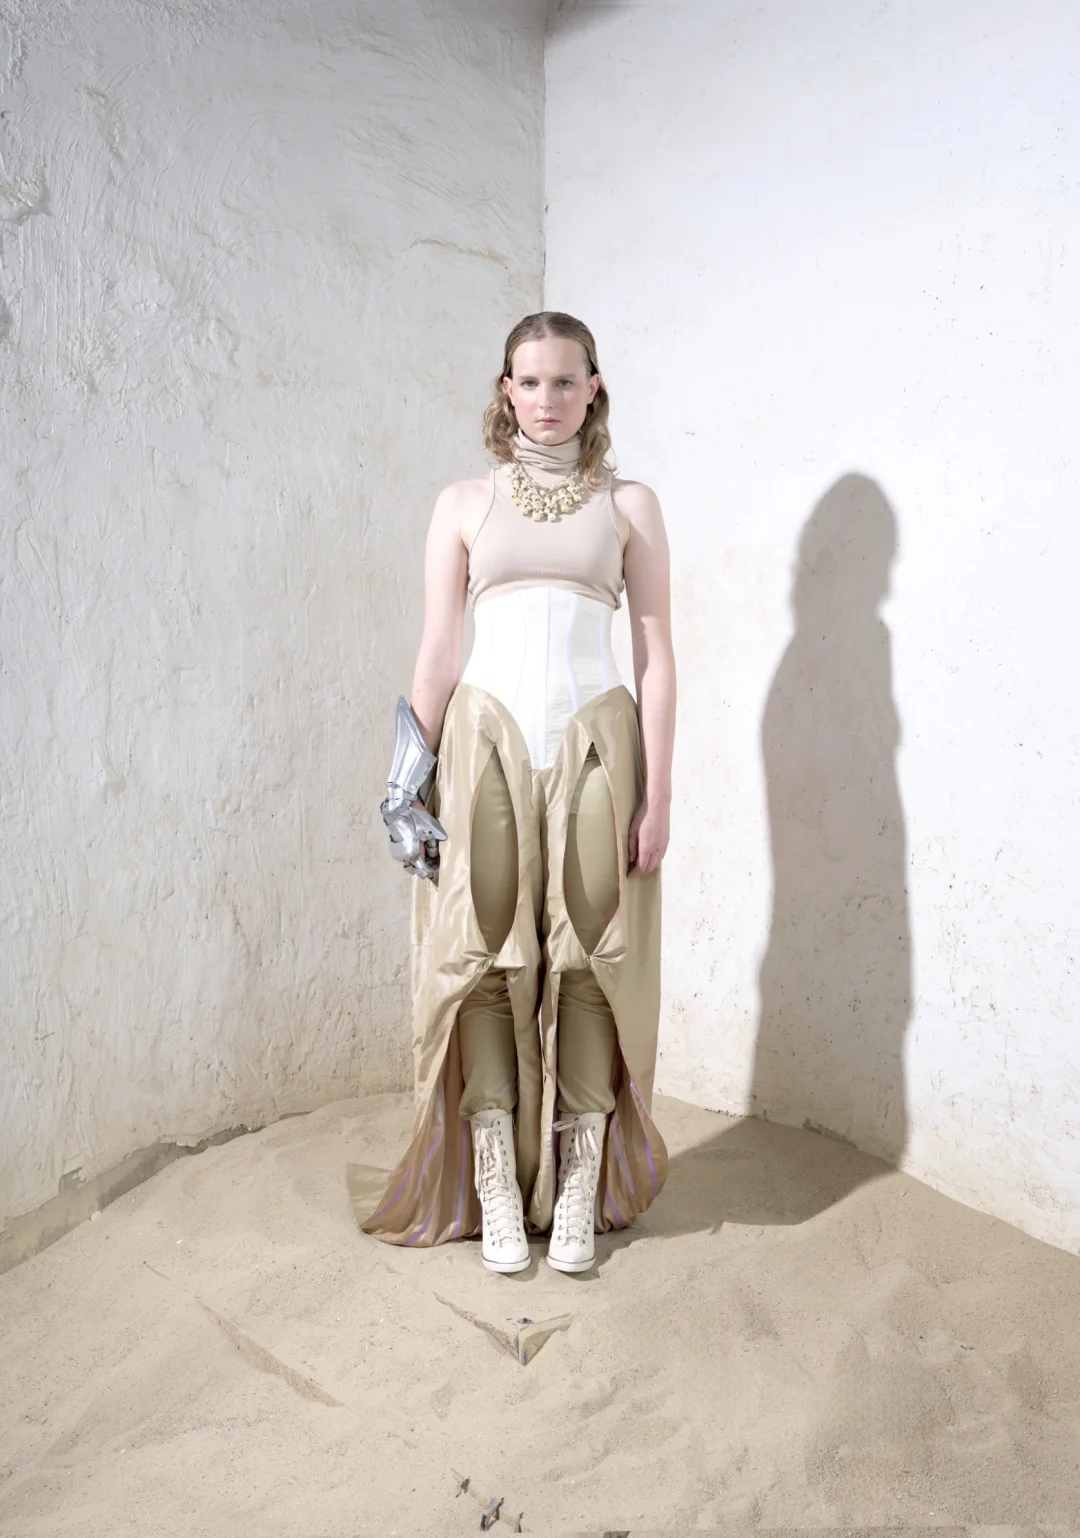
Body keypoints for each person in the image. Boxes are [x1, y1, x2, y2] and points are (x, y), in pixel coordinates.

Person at [358, 311, 676, 1275]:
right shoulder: (464, 502)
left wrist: (660, 795)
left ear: (593, 388)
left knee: (590, 956)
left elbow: (656, 657)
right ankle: (495, 1172)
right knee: (489, 953)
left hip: (597, 740)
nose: (546, 399)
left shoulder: (630, 504)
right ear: (506, 390)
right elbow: (439, 650)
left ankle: (577, 1178)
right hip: (483, 741)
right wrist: (404, 783)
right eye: (529, 382)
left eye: (565, 381)